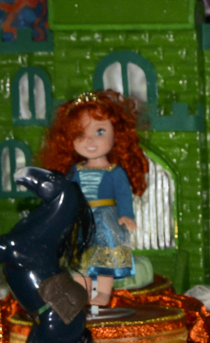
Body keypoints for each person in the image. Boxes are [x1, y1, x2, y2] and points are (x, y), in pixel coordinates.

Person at [39, 90, 148, 306]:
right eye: (80, 134)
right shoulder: (75, 171)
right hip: (80, 220)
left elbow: (124, 195)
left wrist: (126, 215)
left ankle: (103, 294)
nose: (90, 140)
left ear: (117, 136)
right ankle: (82, 293)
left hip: (106, 221)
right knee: (80, 260)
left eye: (100, 131)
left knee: (104, 260)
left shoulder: (114, 171)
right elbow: (65, 193)